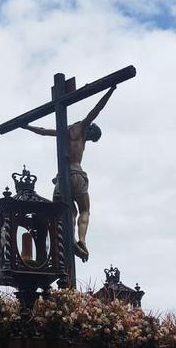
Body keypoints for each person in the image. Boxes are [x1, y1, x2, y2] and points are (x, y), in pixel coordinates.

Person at [21, 86, 116, 262]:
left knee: (66, 212)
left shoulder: (64, 131)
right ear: (90, 132)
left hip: (61, 180)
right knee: (85, 210)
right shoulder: (82, 128)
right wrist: (111, 89)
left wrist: (26, 126)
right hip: (76, 175)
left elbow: (42, 131)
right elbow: (96, 110)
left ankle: (70, 239)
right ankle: (82, 240)